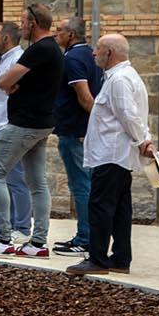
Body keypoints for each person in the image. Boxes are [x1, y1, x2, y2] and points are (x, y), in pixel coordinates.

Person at [0, 3, 63, 258]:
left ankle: (3, 238)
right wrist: (14, 85)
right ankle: (38, 243)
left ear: (33, 23)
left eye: (23, 22)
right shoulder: (53, 49)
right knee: (37, 182)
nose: (21, 26)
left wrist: (12, 85)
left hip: (24, 123)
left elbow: (4, 81)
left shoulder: (38, 49)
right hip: (41, 122)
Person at [69, 34, 150, 277]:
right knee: (120, 209)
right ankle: (121, 258)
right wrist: (144, 139)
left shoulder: (119, 80)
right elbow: (134, 115)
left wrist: (142, 140)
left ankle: (98, 259)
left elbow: (128, 115)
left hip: (111, 154)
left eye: (98, 49)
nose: (94, 53)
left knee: (100, 207)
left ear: (110, 53)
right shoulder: (125, 76)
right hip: (118, 155)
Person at [53, 17, 103, 257]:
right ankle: (88, 236)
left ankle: (85, 238)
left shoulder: (73, 58)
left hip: (76, 131)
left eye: (59, 30)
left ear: (71, 34)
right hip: (82, 130)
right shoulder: (90, 55)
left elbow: (84, 96)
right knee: (86, 184)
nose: (56, 34)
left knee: (81, 185)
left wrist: (94, 125)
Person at [0, 21, 33, 240]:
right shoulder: (5, 60)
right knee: (5, 180)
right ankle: (9, 225)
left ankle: (21, 227)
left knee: (16, 179)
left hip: (7, 125)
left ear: (6, 38)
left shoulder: (17, 60)